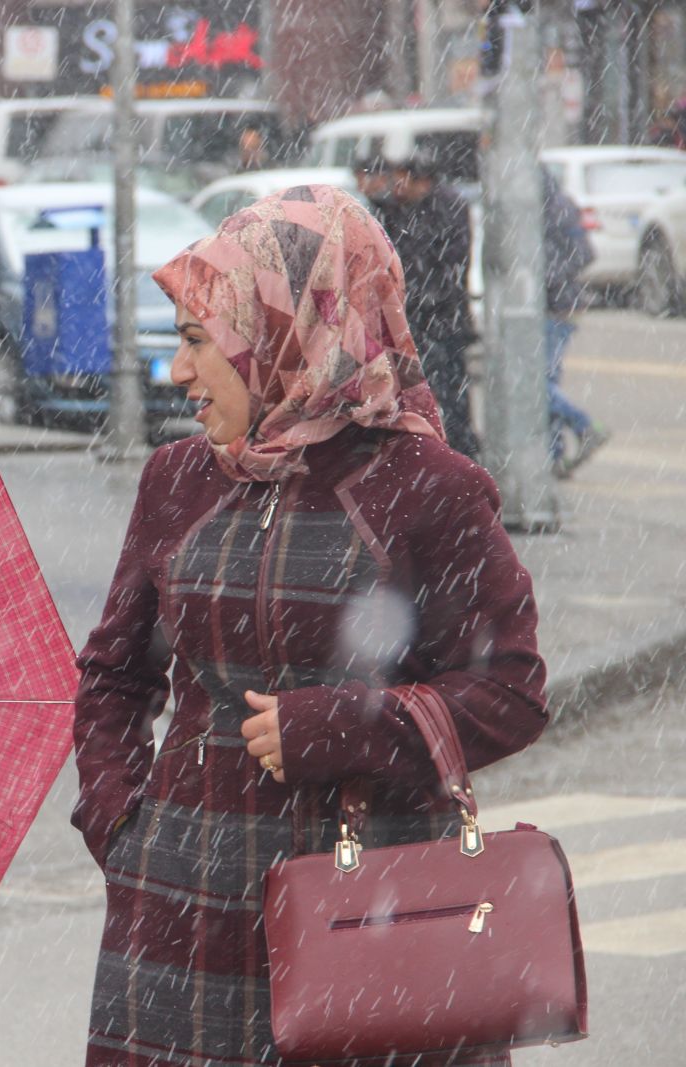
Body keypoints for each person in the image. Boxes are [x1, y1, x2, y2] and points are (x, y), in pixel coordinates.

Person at [72, 186, 546, 1067]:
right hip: (178, 924)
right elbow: (114, 675)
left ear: (284, 338)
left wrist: (340, 727)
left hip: (366, 913)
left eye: (195, 342)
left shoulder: (424, 485)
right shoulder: (178, 480)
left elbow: (513, 689)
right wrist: (124, 828)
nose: (178, 374)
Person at [369, 148, 481, 460]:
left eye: (403, 179)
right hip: (415, 316)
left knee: (448, 387)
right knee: (416, 387)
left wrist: (422, 296)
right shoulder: (399, 208)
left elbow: (451, 263)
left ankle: (459, 447)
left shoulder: (445, 208)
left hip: (441, 316)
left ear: (423, 181)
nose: (397, 185)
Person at [542, 166, 605, 477]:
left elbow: (584, 252)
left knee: (538, 384)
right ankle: (553, 456)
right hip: (549, 305)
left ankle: (583, 425)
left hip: (554, 308)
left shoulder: (553, 208)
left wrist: (549, 275)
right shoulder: (556, 205)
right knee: (544, 382)